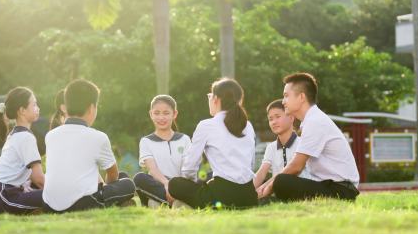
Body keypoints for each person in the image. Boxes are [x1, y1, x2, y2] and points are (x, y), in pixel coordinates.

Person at [258, 72, 360, 202]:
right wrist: (267, 184)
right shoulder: (311, 120)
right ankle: (270, 199)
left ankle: (267, 199)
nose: (283, 101)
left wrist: (267, 188)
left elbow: (296, 166)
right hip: (329, 186)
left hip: (341, 191)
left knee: (281, 181)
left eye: (286, 96)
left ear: (301, 97)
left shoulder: (315, 121)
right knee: (279, 180)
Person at [42, 79, 136, 213]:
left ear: (66, 107)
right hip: (83, 204)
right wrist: (105, 189)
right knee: (127, 183)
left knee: (122, 176)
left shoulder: (50, 136)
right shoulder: (98, 137)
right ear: (92, 108)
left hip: (49, 206)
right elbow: (113, 174)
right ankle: (117, 203)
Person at [168, 78, 258, 209]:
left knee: (175, 184)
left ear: (216, 99)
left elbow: (189, 167)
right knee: (209, 183)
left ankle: (191, 203)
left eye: (210, 96)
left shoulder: (206, 125)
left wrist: (190, 185)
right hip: (249, 197)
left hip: (222, 196)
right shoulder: (248, 125)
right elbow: (251, 164)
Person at [0, 87, 45, 214]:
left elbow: (32, 177)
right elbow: (39, 179)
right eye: (34, 104)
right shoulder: (25, 137)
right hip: (4, 195)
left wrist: (25, 185)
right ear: (22, 110)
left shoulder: (15, 134)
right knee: (55, 196)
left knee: (49, 195)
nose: (37, 108)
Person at [134, 95, 191, 208]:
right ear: (151, 114)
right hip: (159, 184)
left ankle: (163, 202)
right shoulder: (146, 141)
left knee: (203, 178)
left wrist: (176, 187)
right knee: (139, 178)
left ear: (174, 114)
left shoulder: (184, 139)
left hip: (180, 184)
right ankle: (176, 202)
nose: (161, 117)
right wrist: (167, 184)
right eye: (157, 113)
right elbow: (152, 169)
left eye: (166, 113)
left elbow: (187, 169)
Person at [254, 100, 315, 199]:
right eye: (270, 119)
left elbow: (294, 170)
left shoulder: (302, 143)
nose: (274, 122)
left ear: (291, 118)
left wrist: (264, 187)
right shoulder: (271, 147)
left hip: (303, 194)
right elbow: (262, 172)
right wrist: (249, 191)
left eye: (278, 117)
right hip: (279, 196)